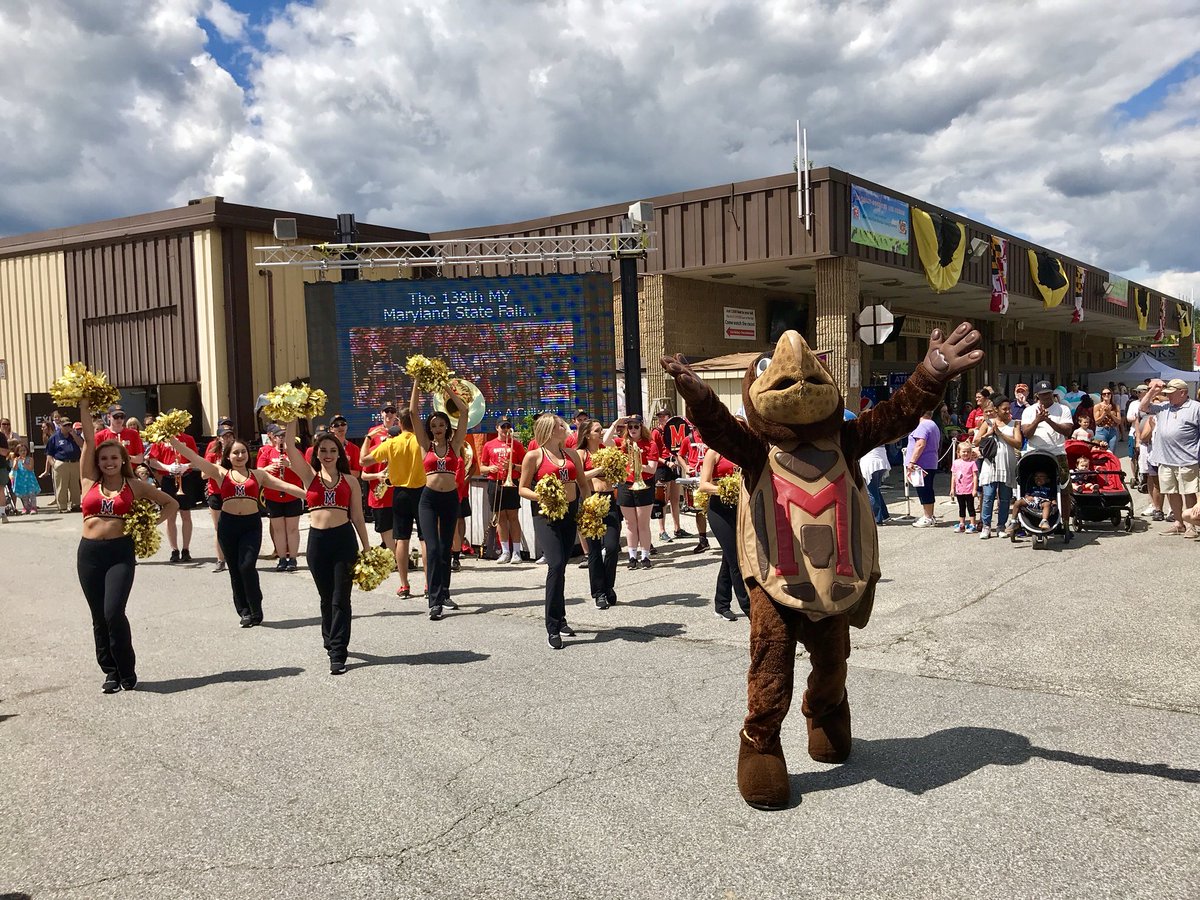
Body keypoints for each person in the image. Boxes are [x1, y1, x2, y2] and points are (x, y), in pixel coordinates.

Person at [78, 399, 178, 693]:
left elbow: (170, 504)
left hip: (120, 553)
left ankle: (126, 668)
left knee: (113, 612)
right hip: (90, 554)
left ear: (123, 460)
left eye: (114, 458)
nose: (109, 462)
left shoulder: (135, 486)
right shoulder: (88, 481)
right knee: (98, 615)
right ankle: (110, 671)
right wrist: (85, 405)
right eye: (104, 458)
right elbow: (86, 435)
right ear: (97, 462)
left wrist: (148, 524)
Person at [170, 432, 304, 626]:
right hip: (229, 525)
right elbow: (195, 458)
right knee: (235, 569)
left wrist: (312, 496)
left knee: (247, 565)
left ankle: (255, 608)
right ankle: (244, 611)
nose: (240, 456)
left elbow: (286, 486)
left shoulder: (258, 475)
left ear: (248, 455)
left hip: (251, 525)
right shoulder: (220, 473)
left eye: (243, 452)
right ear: (228, 456)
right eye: (235, 453)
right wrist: (174, 442)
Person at [282, 421, 371, 674]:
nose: (328, 455)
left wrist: (366, 548)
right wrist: (291, 415)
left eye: (333, 451)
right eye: (323, 451)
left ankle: (338, 653)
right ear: (316, 454)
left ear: (339, 454)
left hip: (344, 541)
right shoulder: (309, 477)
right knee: (326, 597)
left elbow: (358, 517)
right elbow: (289, 446)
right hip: (318, 543)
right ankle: (330, 638)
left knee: (341, 598)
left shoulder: (351, 481)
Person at [518, 413, 591, 649]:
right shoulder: (534, 456)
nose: (566, 428)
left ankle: (561, 618)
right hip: (545, 515)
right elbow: (522, 488)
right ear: (550, 430)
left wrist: (588, 506)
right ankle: (552, 626)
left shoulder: (570, 454)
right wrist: (544, 497)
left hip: (569, 513)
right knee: (556, 565)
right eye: (561, 425)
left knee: (562, 567)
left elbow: (581, 483)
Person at [410, 380, 469, 620]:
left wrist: (445, 387)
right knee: (432, 548)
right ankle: (434, 601)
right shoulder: (425, 445)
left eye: (441, 424)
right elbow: (413, 412)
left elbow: (463, 411)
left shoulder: (455, 445)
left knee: (446, 548)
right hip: (429, 499)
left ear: (447, 427)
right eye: (434, 425)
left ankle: (444, 593)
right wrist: (417, 381)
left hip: (450, 499)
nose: (437, 428)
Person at [360, 408, 427, 599]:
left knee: (402, 539)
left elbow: (363, 461)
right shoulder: (422, 441)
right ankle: (428, 584)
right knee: (424, 539)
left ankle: (404, 585)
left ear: (399, 423)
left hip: (400, 493)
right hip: (421, 491)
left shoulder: (391, 443)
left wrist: (367, 438)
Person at [1139, 378, 1200, 537]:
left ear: (1183, 393)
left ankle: (1191, 526)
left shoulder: (1195, 408)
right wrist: (1152, 391)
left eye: (1171, 394)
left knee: (1189, 492)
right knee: (1172, 492)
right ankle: (1178, 523)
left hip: (1188, 458)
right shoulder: (1164, 407)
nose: (1168, 396)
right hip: (1165, 459)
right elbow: (1143, 407)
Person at [697, 440, 749, 621]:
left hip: (739, 508)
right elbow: (703, 484)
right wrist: (725, 489)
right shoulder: (714, 452)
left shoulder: (741, 451)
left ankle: (721, 604)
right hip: (719, 509)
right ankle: (749, 607)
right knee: (736, 559)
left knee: (728, 558)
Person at [1020, 380, 1075, 541]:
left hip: (1057, 453)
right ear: (1037, 396)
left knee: (1064, 490)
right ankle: (1029, 520)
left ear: (1053, 393)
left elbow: (1067, 431)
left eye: (1048, 394)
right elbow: (1027, 433)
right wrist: (1038, 419)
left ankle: (1065, 523)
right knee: (1029, 486)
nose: (1046, 397)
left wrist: (1048, 420)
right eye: (1043, 395)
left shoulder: (1062, 409)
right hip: (1035, 454)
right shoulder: (1029, 411)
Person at [579, 418, 621, 609]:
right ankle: (599, 592)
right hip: (591, 501)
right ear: (588, 435)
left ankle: (608, 586)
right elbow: (579, 476)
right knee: (594, 550)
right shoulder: (582, 453)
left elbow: (617, 474)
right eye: (597, 431)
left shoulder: (607, 451)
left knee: (612, 547)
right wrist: (598, 469)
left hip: (609, 500)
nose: (600, 433)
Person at [608, 414, 658, 566]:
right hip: (626, 485)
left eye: (636, 426)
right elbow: (605, 440)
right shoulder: (623, 442)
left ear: (641, 427)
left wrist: (636, 463)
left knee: (643, 523)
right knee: (630, 523)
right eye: (630, 426)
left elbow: (652, 469)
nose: (633, 429)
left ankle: (645, 556)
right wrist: (616, 422)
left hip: (644, 484)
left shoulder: (650, 444)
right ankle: (632, 556)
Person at [146, 429, 203, 563]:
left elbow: (196, 460)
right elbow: (152, 461)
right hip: (168, 478)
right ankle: (174, 550)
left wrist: (186, 465)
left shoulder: (188, 438)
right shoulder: (160, 439)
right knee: (170, 516)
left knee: (186, 514)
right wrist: (167, 467)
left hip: (185, 477)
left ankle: (186, 549)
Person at [973, 395, 1022, 539]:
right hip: (991, 464)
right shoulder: (988, 422)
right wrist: (989, 433)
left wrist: (1000, 434)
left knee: (1005, 497)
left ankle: (1001, 525)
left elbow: (1018, 443)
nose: (1008, 412)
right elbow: (976, 442)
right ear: (996, 409)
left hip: (1007, 463)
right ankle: (986, 526)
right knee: (988, 496)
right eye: (1004, 409)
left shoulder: (1015, 423)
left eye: (1009, 409)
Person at [257, 424, 304, 570]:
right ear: (274, 438)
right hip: (273, 496)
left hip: (292, 496)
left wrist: (289, 465)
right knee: (278, 530)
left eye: (285, 436)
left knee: (292, 529)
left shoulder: (295, 452)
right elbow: (258, 471)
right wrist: (267, 469)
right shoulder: (267, 452)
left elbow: (304, 471)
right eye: (280, 436)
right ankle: (282, 558)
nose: (282, 439)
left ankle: (293, 559)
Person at [479, 418, 526, 563]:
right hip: (495, 482)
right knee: (500, 518)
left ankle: (516, 552)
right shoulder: (489, 445)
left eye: (508, 427)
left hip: (511, 482)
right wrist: (489, 469)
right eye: (503, 427)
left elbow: (525, 467)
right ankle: (505, 551)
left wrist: (512, 466)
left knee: (513, 516)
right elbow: (482, 467)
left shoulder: (516, 445)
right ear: (497, 428)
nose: (506, 429)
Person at [361, 405, 400, 554]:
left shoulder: (401, 432)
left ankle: (395, 555)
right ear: (382, 414)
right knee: (385, 528)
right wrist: (378, 475)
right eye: (386, 411)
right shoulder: (374, 433)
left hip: (397, 491)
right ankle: (395, 556)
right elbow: (363, 468)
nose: (389, 414)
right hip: (381, 494)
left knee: (397, 528)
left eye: (392, 412)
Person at [651, 408, 687, 542]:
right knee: (662, 500)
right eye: (659, 416)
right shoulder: (656, 432)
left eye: (664, 416)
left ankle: (677, 528)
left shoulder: (674, 431)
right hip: (662, 467)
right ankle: (662, 530)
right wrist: (666, 462)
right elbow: (653, 454)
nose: (661, 418)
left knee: (676, 499)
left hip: (674, 465)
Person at [204, 423, 235, 571]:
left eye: (230, 435)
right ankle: (220, 559)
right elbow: (203, 475)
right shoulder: (212, 453)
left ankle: (233, 557)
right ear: (219, 438)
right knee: (219, 528)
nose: (227, 438)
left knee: (234, 526)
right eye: (224, 436)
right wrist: (215, 467)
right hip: (216, 492)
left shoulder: (236, 453)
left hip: (232, 492)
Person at [905, 409, 941, 527]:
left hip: (922, 464)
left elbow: (920, 444)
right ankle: (929, 514)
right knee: (927, 489)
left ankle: (928, 516)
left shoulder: (923, 425)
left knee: (924, 490)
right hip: (929, 462)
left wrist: (912, 461)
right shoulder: (933, 424)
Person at [677, 425, 711, 551]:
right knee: (699, 510)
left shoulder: (711, 437)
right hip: (695, 475)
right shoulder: (688, 439)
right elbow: (680, 455)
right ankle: (703, 540)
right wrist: (686, 467)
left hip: (709, 475)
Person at [44, 411, 84, 513]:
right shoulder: (54, 437)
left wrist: (74, 435)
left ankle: (75, 504)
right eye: (65, 425)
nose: (68, 427)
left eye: (69, 425)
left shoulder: (74, 435)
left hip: (74, 463)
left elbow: (82, 445)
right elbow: (49, 453)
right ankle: (62, 506)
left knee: (75, 485)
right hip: (61, 463)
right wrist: (54, 464)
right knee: (61, 486)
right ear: (60, 425)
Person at [859, 443, 891, 525]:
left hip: (871, 462)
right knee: (875, 490)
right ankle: (884, 515)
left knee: (871, 492)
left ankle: (877, 518)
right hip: (881, 460)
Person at [951, 443, 978, 533]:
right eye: (964, 452)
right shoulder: (955, 463)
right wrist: (952, 488)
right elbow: (953, 476)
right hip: (959, 490)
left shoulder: (972, 463)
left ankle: (973, 524)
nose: (966, 453)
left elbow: (975, 476)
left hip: (969, 489)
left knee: (970, 507)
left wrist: (975, 489)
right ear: (958, 452)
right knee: (961, 507)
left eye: (968, 452)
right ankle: (962, 524)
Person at [11, 443, 40, 514]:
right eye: (21, 451)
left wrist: (24, 464)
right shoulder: (16, 459)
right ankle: (26, 507)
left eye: (24, 450)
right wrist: (16, 462)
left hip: (30, 480)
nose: (23, 452)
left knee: (32, 494)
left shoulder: (30, 459)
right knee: (24, 495)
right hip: (21, 480)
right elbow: (15, 469)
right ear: (18, 452)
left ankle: (34, 507)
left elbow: (30, 468)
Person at [1092, 388, 1120, 453]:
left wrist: (1110, 414)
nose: (1106, 395)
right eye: (1104, 394)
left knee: (1111, 453)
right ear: (1102, 395)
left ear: (1111, 395)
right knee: (1100, 452)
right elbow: (1097, 421)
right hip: (1101, 430)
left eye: (1108, 393)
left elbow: (1119, 421)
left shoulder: (1116, 406)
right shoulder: (1097, 406)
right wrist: (1104, 413)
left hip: (1113, 430)